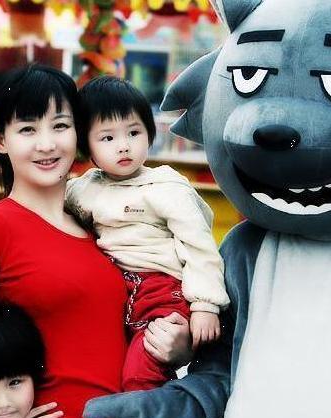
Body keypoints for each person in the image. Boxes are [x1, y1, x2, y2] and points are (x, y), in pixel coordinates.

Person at [0, 64, 192, 418]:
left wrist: (178, 345)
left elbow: (132, 320)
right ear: (0, 140)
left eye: (60, 126)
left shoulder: (100, 223)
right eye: (27, 129)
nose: (46, 144)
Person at [66, 76, 229, 392]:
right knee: (107, 367)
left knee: (141, 372)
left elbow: (199, 245)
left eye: (134, 132)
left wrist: (205, 305)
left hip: (162, 291)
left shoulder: (165, 186)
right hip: (116, 292)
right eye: (107, 138)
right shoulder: (84, 189)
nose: (123, 145)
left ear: (149, 134)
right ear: (86, 146)